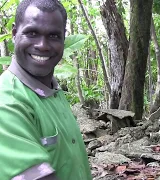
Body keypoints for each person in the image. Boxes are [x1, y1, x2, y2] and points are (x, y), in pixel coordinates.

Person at [0, 0, 92, 179]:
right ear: (14, 33)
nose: (42, 45)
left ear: (64, 39)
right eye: (32, 33)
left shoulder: (52, 91)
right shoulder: (7, 102)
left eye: (54, 36)